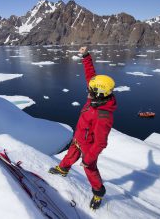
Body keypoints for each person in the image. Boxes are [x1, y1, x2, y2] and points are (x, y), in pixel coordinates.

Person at [49, 46, 117, 210]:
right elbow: (91, 77)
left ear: (100, 94)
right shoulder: (95, 99)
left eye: (90, 91)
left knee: (90, 170)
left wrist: (88, 159)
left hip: (89, 146)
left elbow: (100, 143)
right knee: (71, 153)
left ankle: (98, 193)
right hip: (79, 137)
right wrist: (86, 56)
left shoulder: (103, 116)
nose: (87, 91)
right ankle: (63, 169)